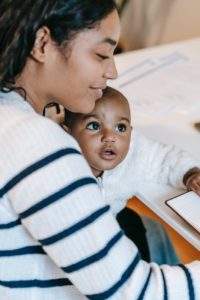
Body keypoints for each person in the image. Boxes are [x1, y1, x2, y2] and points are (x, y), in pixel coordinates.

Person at [0, 1, 200, 300]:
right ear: (42, 44)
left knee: (145, 227)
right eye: (102, 54)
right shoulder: (38, 146)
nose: (113, 71)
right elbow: (135, 292)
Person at [60, 85, 200, 264]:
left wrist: (190, 174)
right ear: (66, 134)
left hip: (112, 223)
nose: (110, 137)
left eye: (120, 128)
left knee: (152, 229)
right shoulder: (58, 169)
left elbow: (164, 158)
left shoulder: (134, 150)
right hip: (76, 247)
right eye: (94, 126)